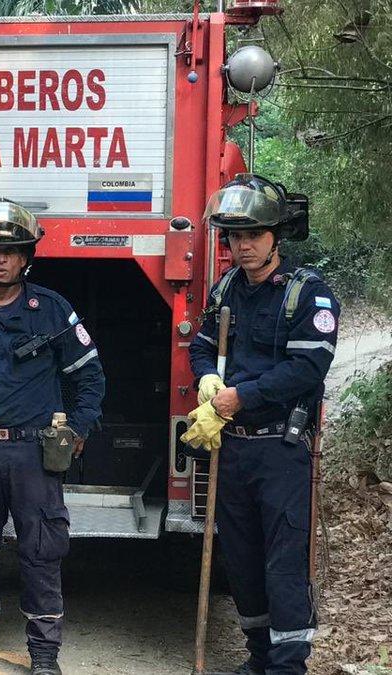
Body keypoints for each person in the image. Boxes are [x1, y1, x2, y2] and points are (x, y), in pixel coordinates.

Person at [0, 199, 105, 675]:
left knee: (42, 549)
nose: (1, 260)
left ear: (27, 256)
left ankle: (44, 656)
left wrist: (79, 427)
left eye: (11, 252)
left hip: (34, 450)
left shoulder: (51, 310)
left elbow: (89, 377)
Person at [183, 174, 337, 675]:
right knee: (242, 560)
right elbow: (204, 344)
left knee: (282, 561)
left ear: (276, 235)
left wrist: (241, 396)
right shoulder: (226, 287)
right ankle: (259, 658)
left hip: (281, 451)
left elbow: (307, 368)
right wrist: (207, 380)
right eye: (232, 236)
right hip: (233, 449)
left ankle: (288, 664)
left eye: (252, 235)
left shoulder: (306, 293)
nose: (242, 246)